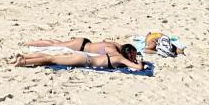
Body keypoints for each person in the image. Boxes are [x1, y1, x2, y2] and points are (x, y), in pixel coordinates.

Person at [11, 44, 145, 71]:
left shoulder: (116, 53)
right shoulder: (121, 59)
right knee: (52, 59)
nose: (134, 58)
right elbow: (138, 68)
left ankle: (25, 57)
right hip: (84, 60)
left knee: (52, 57)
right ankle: (23, 61)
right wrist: (140, 62)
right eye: (133, 55)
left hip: (84, 56)